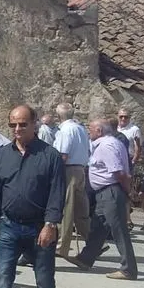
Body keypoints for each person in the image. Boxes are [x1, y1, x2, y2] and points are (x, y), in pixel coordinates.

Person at [0, 105, 66, 288]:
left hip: (40, 228)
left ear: (34, 125)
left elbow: (57, 193)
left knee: (44, 281)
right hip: (9, 227)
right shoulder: (2, 155)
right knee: (3, 279)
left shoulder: (50, 156)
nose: (17, 129)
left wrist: (50, 225)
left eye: (22, 124)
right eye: (12, 125)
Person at [66, 119, 139, 280]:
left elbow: (118, 172)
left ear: (99, 130)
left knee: (119, 230)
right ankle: (85, 259)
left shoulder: (107, 146)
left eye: (90, 129)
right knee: (98, 227)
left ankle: (129, 269)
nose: (88, 132)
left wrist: (127, 192)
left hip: (110, 191)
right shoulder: (109, 143)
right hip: (105, 192)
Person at [52, 103, 91, 260]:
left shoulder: (65, 130)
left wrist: (55, 174)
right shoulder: (80, 128)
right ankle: (96, 242)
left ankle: (61, 247)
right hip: (81, 169)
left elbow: (63, 154)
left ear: (59, 116)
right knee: (81, 210)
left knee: (66, 210)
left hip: (68, 170)